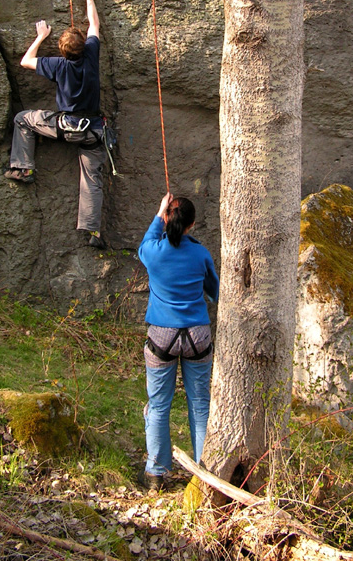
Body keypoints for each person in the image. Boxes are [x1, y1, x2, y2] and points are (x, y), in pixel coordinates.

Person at [4, 0, 108, 249]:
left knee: (23, 119)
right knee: (92, 179)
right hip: (93, 131)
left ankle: (24, 169)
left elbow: (26, 61)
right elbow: (94, 23)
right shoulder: (91, 55)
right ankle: (92, 231)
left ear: (62, 52)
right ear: (83, 46)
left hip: (64, 127)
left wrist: (40, 37)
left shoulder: (57, 65)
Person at [137, 192, 219, 491]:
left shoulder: (153, 252)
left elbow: (145, 243)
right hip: (197, 334)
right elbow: (214, 290)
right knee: (200, 405)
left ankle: (156, 473)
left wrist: (160, 213)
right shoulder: (200, 254)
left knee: (159, 406)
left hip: (162, 336)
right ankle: (204, 475)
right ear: (192, 225)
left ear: (168, 220)